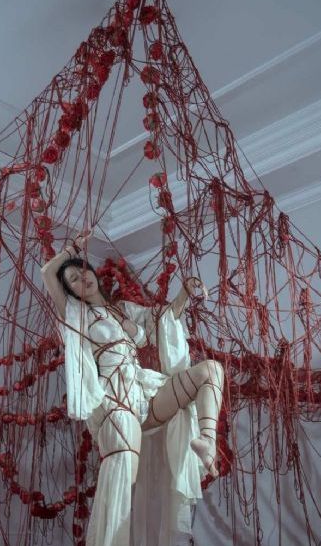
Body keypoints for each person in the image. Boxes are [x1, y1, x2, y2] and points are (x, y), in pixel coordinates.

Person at [40, 231, 224, 545]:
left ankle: (206, 440)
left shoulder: (124, 308)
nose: (82, 279)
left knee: (210, 371)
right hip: (115, 402)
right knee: (123, 475)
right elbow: (47, 273)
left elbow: (161, 320)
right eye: (73, 279)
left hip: (144, 394)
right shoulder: (77, 315)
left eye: (83, 271)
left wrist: (185, 291)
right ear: (69, 291)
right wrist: (72, 250)